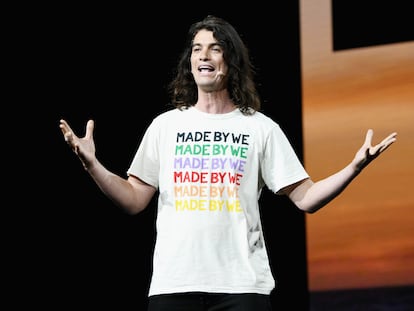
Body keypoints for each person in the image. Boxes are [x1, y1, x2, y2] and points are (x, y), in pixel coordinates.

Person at [59, 15, 397, 311]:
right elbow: (134, 199)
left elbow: (307, 199)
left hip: (241, 289)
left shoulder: (260, 128)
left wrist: (353, 168)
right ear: (189, 63)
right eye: (196, 48)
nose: (203, 55)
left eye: (215, 48)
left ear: (230, 61)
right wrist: (93, 165)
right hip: (174, 286)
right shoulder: (166, 125)